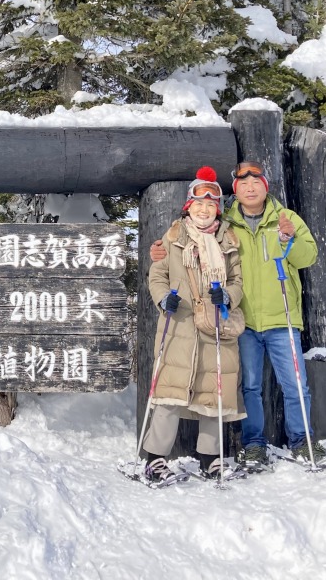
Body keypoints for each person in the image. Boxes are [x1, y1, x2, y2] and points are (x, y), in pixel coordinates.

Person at [150, 160, 326, 470]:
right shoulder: (227, 224)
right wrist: (160, 251)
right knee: (249, 386)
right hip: (241, 320)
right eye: (242, 184)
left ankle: (302, 440)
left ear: (265, 186)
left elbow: (308, 258)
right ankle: (254, 444)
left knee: (295, 385)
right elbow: (187, 248)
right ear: (235, 191)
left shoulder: (285, 219)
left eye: (256, 182)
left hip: (280, 318)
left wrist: (289, 240)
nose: (250, 188)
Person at [141, 166, 245, 485]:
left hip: (215, 325)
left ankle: (211, 460)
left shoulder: (228, 241)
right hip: (180, 325)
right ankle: (155, 459)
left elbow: (239, 282)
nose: (204, 209)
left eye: (211, 204)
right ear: (189, 205)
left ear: (218, 208)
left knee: (213, 395)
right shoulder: (172, 239)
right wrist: (162, 299)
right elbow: (157, 275)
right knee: (170, 394)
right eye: (199, 203)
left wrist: (226, 294)